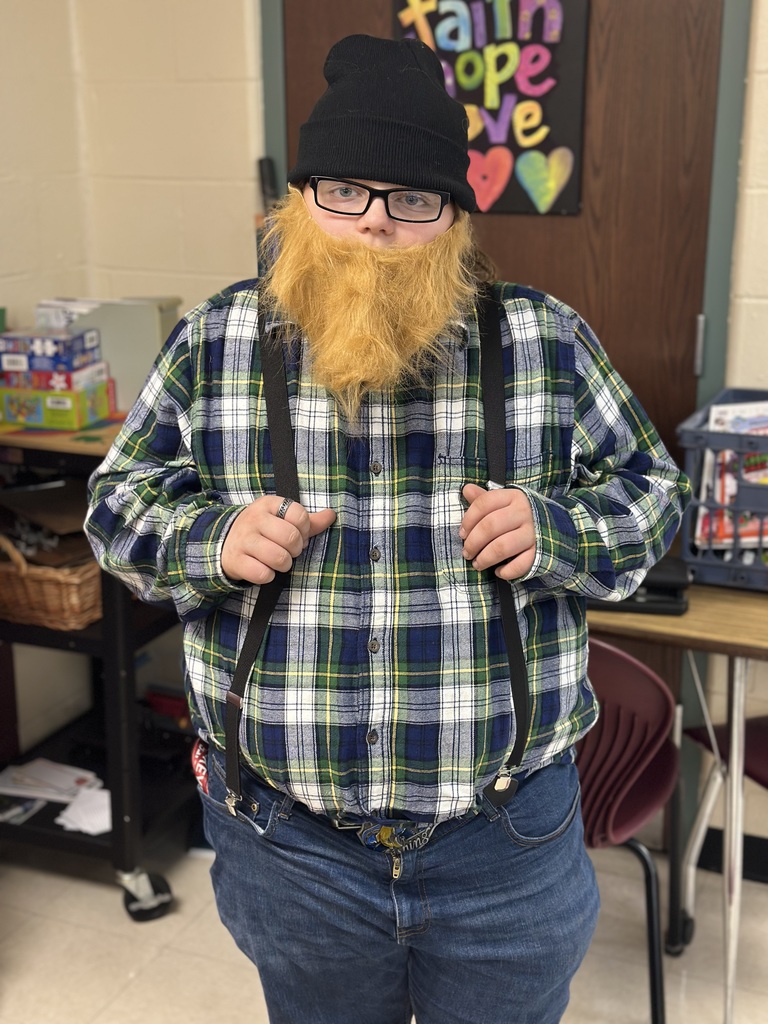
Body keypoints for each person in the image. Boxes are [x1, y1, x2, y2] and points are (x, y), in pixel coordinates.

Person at [85, 33, 691, 1024]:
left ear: (454, 217)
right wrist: (210, 541)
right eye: (345, 192)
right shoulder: (215, 342)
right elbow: (113, 506)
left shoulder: (544, 341)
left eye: (412, 199)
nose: (374, 225)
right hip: (290, 847)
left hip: (507, 846)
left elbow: (654, 498)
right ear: (301, 201)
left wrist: (561, 532)